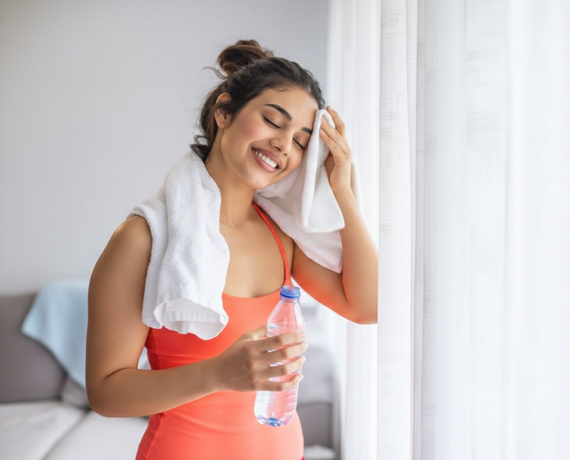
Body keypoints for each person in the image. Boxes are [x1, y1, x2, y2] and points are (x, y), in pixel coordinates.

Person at [85, 39, 378, 460]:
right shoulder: (143, 238)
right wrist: (219, 373)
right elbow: (106, 393)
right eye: (272, 121)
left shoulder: (282, 238)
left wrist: (343, 191)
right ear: (224, 112)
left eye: (301, 141)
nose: (283, 144)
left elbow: (368, 307)